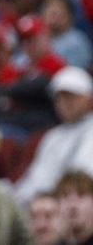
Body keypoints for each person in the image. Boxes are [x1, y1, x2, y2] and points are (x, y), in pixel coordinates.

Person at [17, 67, 93, 203]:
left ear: (89, 99)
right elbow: (35, 178)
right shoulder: (52, 136)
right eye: (59, 98)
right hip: (41, 205)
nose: (64, 103)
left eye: (71, 96)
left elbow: (83, 177)